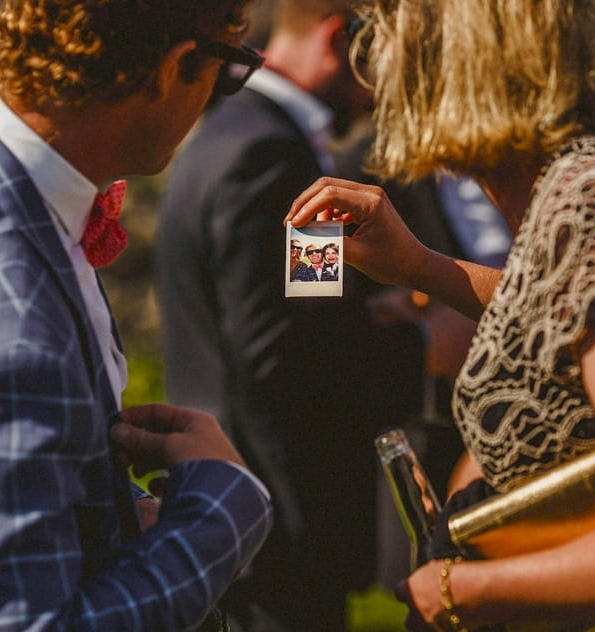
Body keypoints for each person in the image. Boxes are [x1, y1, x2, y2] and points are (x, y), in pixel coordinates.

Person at [286, 0, 595, 630]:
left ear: (453, 55)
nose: (372, 58)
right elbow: (576, 313)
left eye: (386, 28)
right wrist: (420, 267)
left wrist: (462, 591)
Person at [0, 1, 274, 630]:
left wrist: (110, 517)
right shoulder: (10, 344)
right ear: (174, 69)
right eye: (229, 70)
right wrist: (223, 509)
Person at [155, 1, 429, 628]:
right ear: (337, 40)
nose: (381, 93)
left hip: (236, 519)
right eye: (382, 64)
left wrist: (367, 313)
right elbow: (287, 355)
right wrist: (424, 347)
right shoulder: (274, 159)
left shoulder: (234, 131)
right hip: (278, 530)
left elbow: (301, 311)